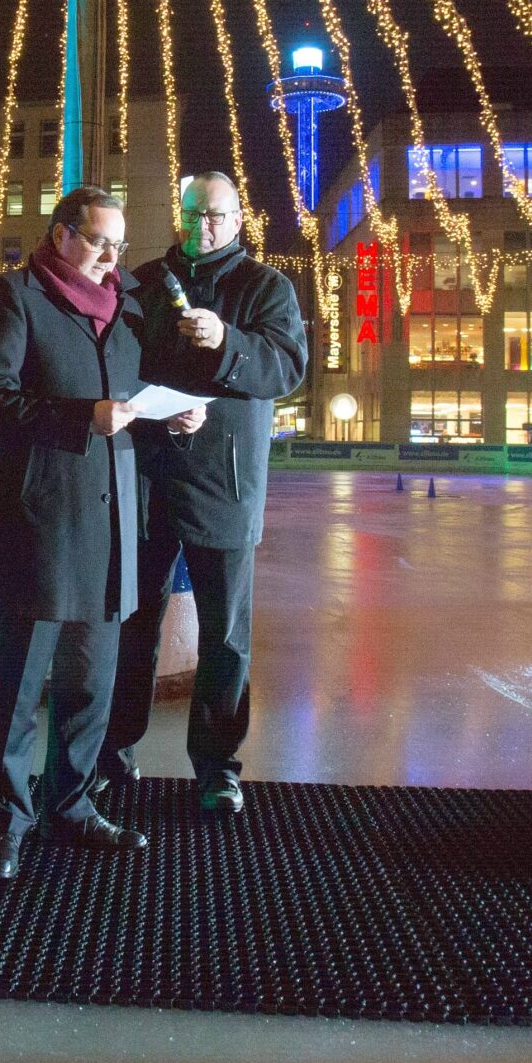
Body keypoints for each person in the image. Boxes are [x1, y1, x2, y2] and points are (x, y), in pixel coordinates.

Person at [0, 185, 203, 879]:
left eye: (118, 246)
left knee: (93, 681)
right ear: (62, 234)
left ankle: (72, 803)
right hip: (41, 519)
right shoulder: (15, 297)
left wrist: (176, 414)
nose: (111, 257)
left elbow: (141, 389)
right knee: (20, 681)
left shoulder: (127, 306)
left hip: (114, 521)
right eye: (99, 242)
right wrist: (78, 417)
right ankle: (5, 820)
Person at [106, 172, 307, 813]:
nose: (203, 229)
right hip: (145, 475)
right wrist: (150, 412)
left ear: (238, 219)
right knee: (133, 625)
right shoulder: (138, 282)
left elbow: (289, 368)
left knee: (225, 635)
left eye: (215, 217)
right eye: (193, 215)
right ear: (179, 215)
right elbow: (111, 364)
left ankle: (218, 766)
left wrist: (229, 343)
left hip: (226, 483)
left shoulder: (266, 287)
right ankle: (114, 751)